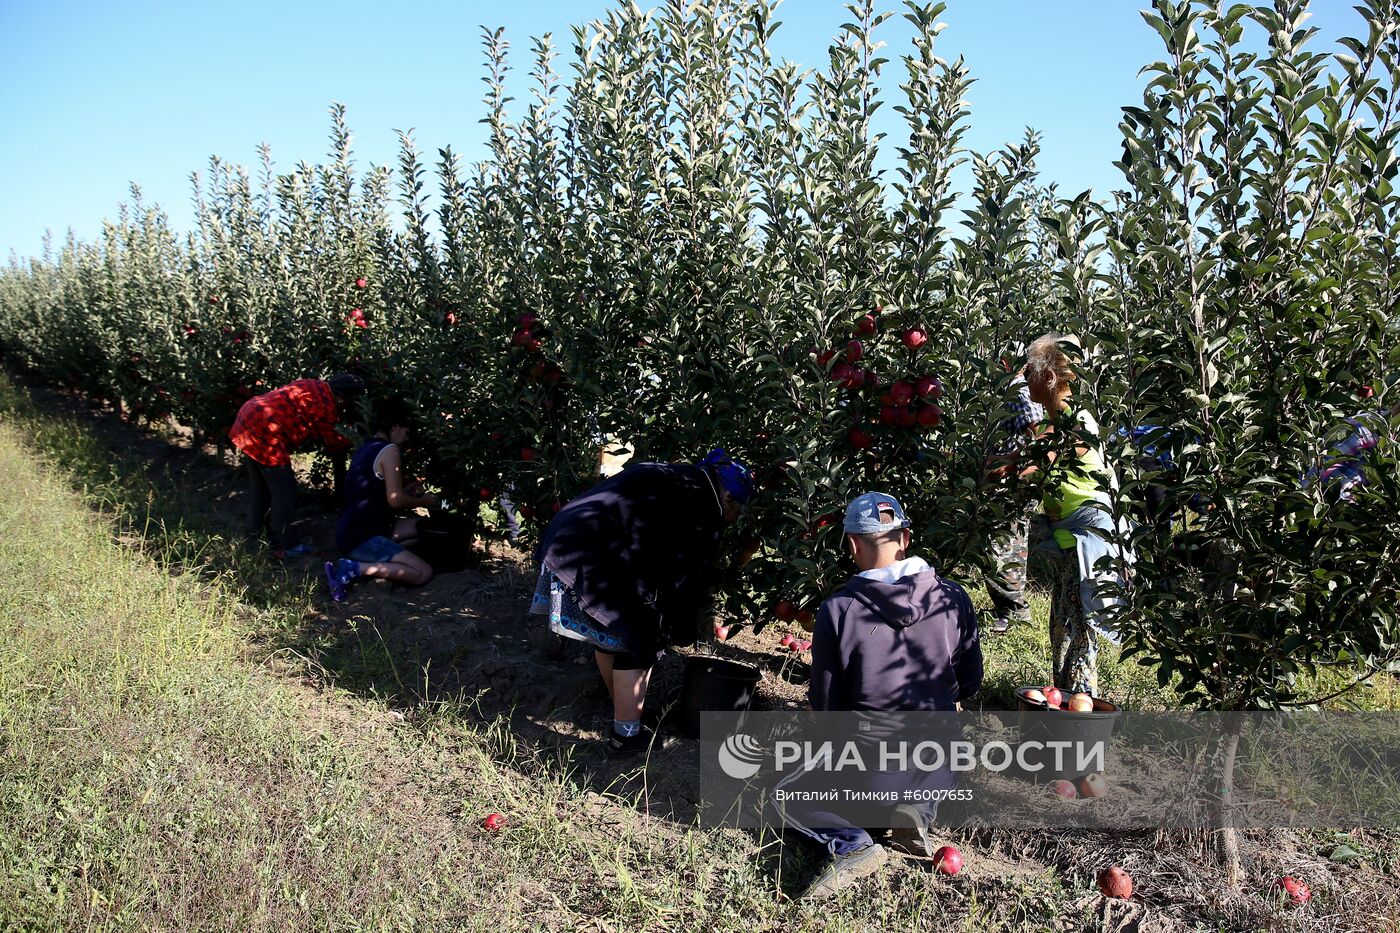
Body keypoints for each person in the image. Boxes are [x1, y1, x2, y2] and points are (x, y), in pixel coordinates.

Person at [790, 492, 982, 902]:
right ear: (906, 538)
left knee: (785, 794)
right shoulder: (955, 598)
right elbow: (970, 683)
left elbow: (826, 706)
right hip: (936, 765)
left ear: (852, 544)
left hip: (869, 768)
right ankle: (916, 810)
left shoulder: (839, 609)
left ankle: (852, 843)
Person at [530, 448, 753, 758]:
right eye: (738, 511)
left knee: (613, 634)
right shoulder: (701, 502)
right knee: (643, 634)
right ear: (729, 498)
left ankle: (625, 713)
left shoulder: (681, 477)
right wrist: (682, 625)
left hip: (571, 535)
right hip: (596, 549)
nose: (733, 519)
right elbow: (683, 577)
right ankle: (626, 736)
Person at [1021, 334, 1129, 696]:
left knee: (1078, 627)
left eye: (1031, 369)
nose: (1025, 375)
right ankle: (1065, 697)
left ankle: (1080, 707)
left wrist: (1012, 467)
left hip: (1091, 538)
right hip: (1069, 535)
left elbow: (1044, 462)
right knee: (1062, 624)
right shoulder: (1050, 423)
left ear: (1050, 377)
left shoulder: (1076, 420)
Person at [229, 373, 364, 557]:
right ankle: (286, 545)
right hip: (265, 429)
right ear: (341, 399)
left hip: (250, 414)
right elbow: (334, 443)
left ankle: (251, 538)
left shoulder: (313, 385)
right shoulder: (327, 407)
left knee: (261, 489)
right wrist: (356, 438)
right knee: (286, 491)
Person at [324, 400, 440, 600]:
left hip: (355, 529)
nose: (405, 438)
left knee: (425, 530)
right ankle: (353, 568)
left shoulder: (367, 447)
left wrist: (405, 491)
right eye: (406, 431)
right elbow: (395, 500)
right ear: (394, 426)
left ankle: (372, 558)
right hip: (363, 537)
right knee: (423, 572)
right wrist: (427, 501)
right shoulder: (389, 449)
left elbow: (375, 493)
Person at [984, 368, 1046, 635]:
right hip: (1000, 482)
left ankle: (1015, 611)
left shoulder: (1021, 391)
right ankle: (1006, 609)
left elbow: (1039, 435)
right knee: (999, 545)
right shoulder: (1005, 391)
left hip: (1011, 484)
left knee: (1005, 546)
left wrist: (1010, 465)